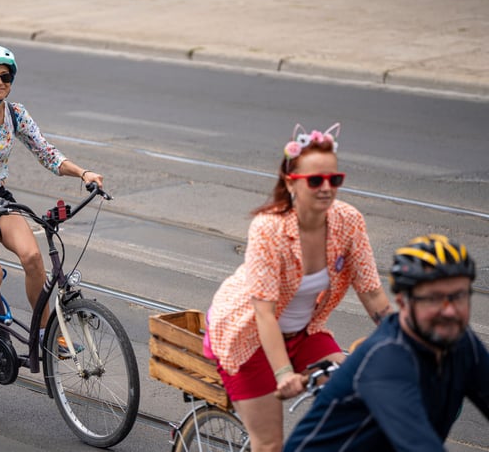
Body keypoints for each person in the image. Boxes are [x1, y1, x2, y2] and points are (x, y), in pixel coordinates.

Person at [204, 123, 393, 452]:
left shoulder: (348, 222)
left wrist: (411, 341)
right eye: (315, 180)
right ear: (292, 183)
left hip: (304, 333)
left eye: (334, 179)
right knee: (270, 443)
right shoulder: (269, 229)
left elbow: (372, 292)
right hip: (248, 339)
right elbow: (263, 314)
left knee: (360, 402)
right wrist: (283, 373)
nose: (326, 188)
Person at [0, 45, 103, 379]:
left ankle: (42, 333)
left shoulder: (15, 114)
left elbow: (47, 153)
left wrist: (84, 173)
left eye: (5, 76)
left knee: (33, 258)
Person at [285, 234, 489, 451]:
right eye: (433, 298)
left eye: (459, 296)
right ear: (403, 301)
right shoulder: (386, 360)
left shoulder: (460, 341)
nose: (449, 311)